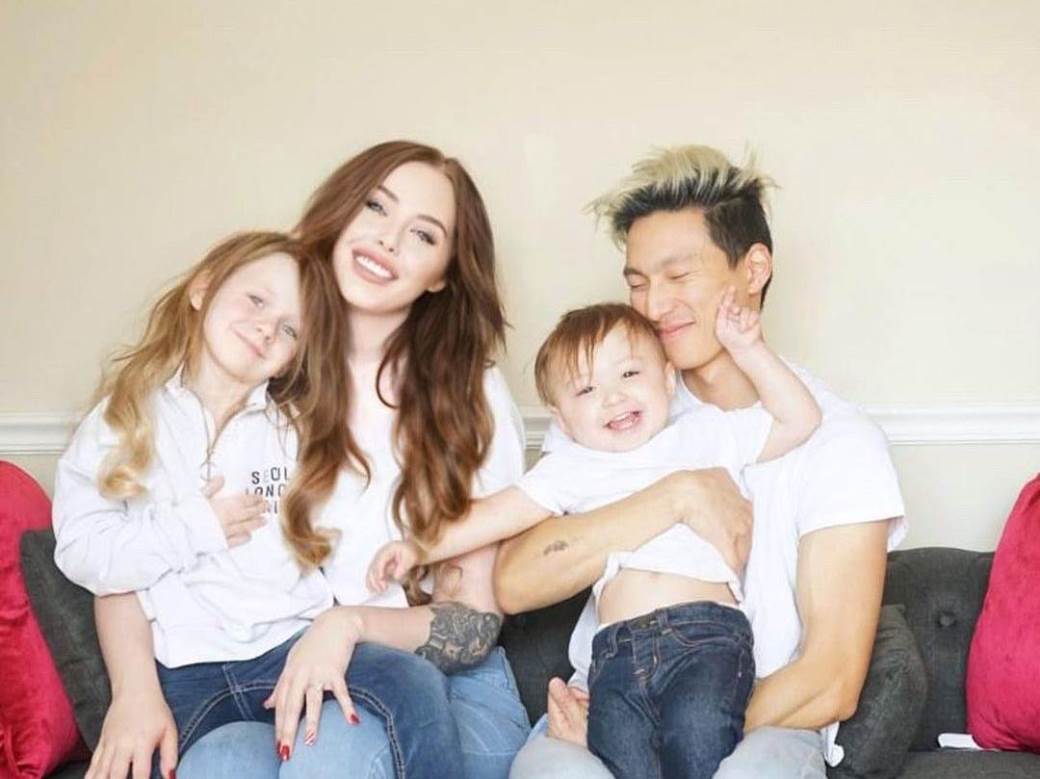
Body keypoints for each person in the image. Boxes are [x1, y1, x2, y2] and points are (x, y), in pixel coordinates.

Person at [77, 142, 531, 779]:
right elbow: (126, 547)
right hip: (282, 670)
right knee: (217, 766)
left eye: (423, 234)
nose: (388, 239)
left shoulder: (469, 394)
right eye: (376, 207)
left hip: (439, 683)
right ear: (339, 213)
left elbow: (474, 623)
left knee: (329, 758)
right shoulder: (255, 369)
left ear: (442, 273)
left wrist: (347, 625)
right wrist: (134, 692)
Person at [501, 145, 906, 778]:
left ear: (754, 269)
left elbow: (830, 678)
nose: (652, 305)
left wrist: (673, 739)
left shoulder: (841, 443)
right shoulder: (616, 413)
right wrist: (676, 496)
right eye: (638, 282)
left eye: (678, 276)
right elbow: (516, 582)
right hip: (601, 705)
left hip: (763, 720)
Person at [368, 298, 821, 777]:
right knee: (621, 762)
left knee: (699, 744)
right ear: (562, 419)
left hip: (705, 634)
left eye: (629, 374)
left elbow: (800, 420)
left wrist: (750, 349)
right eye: (586, 389)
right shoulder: (570, 467)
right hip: (617, 652)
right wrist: (418, 547)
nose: (613, 397)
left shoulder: (704, 432)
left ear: (668, 379)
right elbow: (495, 515)